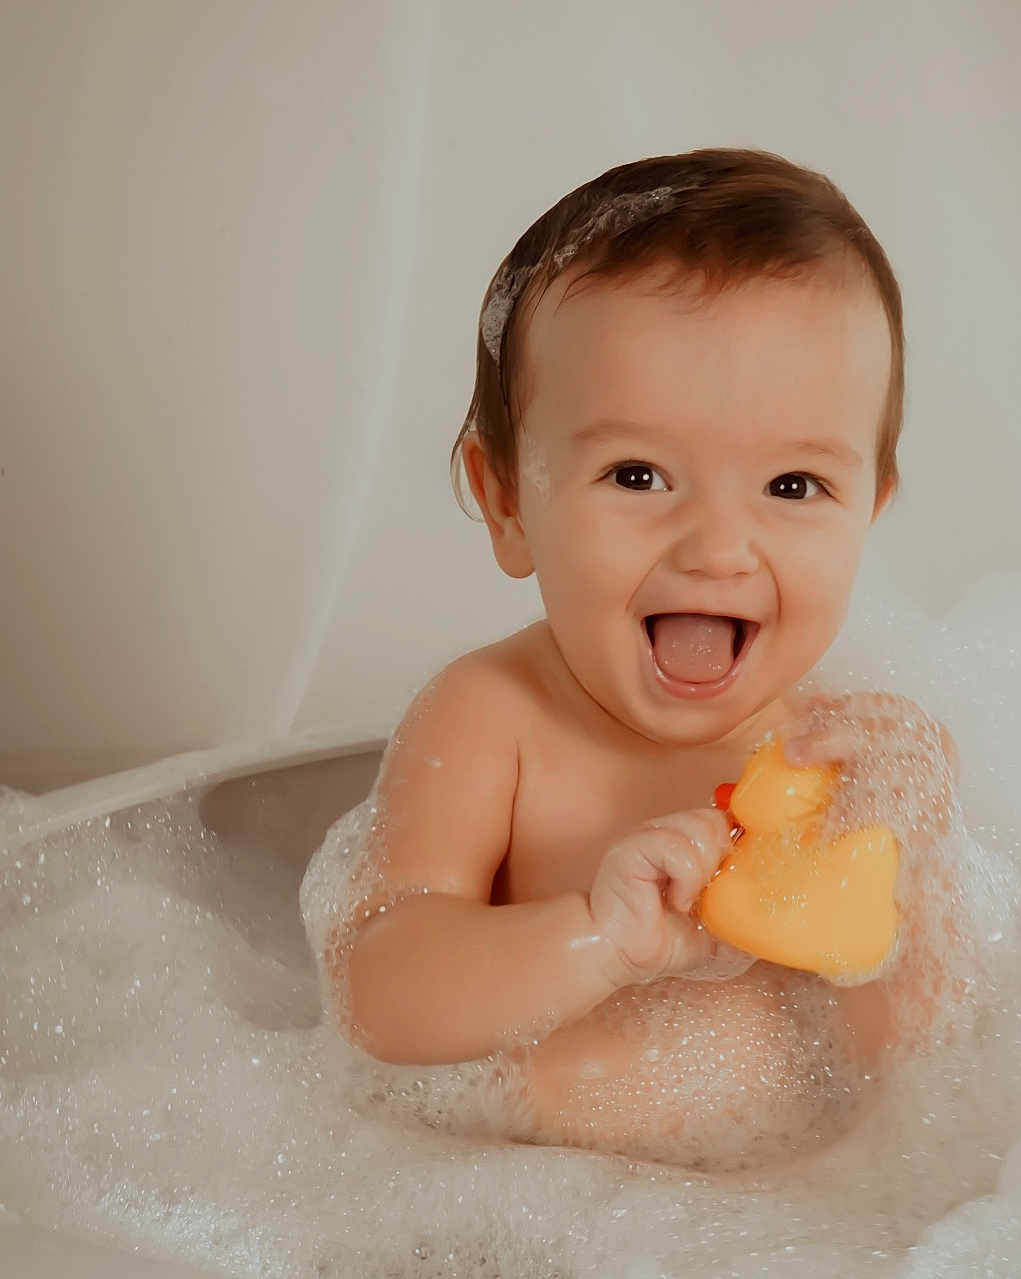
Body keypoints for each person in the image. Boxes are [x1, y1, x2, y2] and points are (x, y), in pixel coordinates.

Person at [330, 147, 960, 1165]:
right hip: (516, 1199)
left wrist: (915, 880)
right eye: (638, 473)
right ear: (506, 503)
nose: (716, 547)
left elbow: (909, 1071)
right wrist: (593, 935)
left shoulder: (841, 749)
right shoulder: (491, 718)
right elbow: (381, 988)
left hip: (791, 1210)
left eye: (793, 486)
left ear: (869, 512)